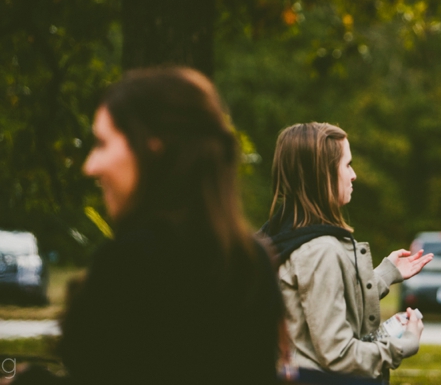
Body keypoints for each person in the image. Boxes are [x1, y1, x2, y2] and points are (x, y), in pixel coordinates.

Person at [25, 68, 283, 384]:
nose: (90, 166)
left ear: (153, 146)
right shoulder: (251, 264)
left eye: (103, 144)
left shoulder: (131, 264)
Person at [259, 122, 433, 383]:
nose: (353, 176)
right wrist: (405, 343)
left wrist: (385, 274)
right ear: (324, 175)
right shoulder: (319, 249)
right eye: (347, 165)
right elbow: (338, 354)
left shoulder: (283, 233)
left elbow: (317, 303)